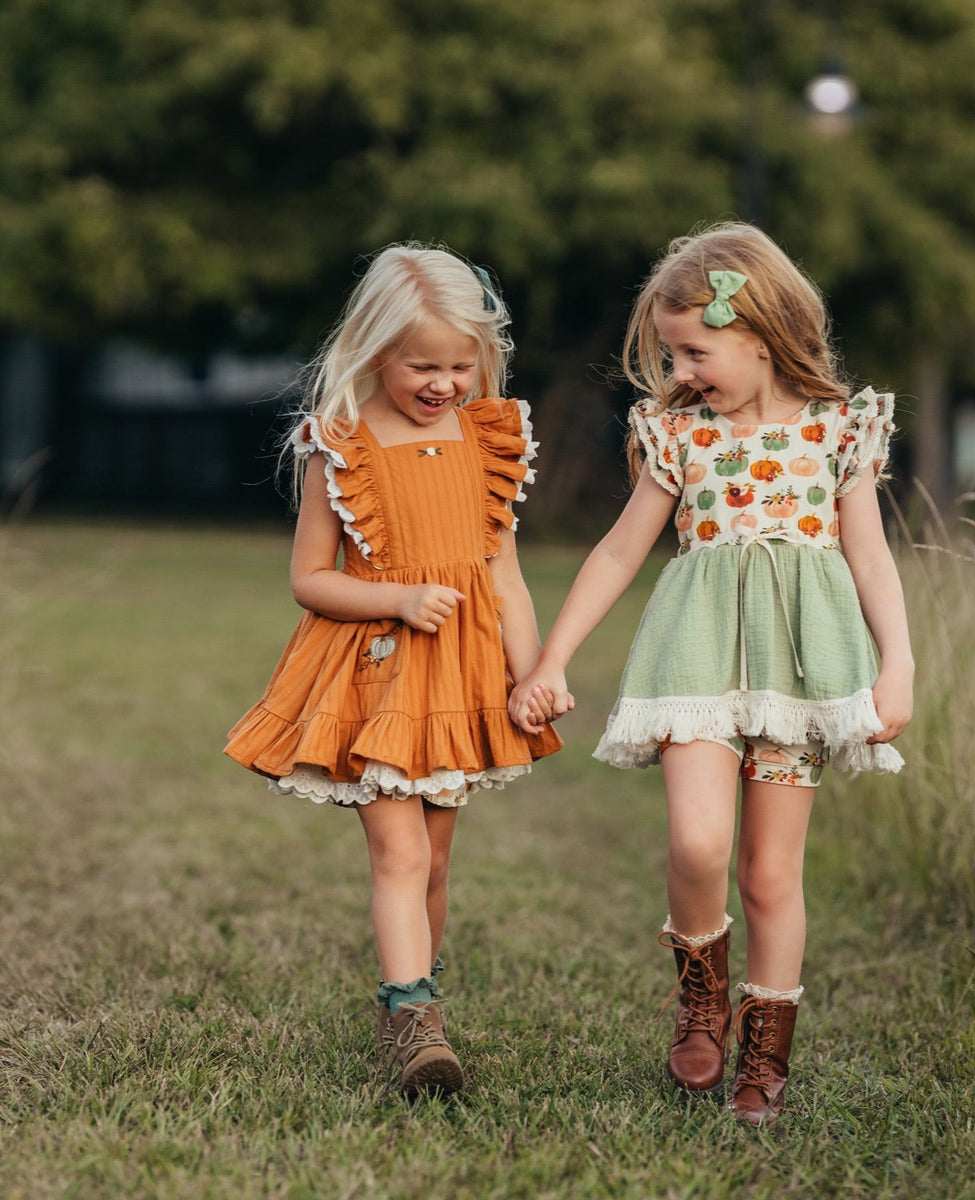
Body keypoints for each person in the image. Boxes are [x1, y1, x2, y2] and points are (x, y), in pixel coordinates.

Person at [509, 222, 913, 1125]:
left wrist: (899, 665)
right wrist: (554, 656)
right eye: (669, 351)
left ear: (759, 335)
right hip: (693, 661)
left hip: (799, 674)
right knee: (698, 845)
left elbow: (873, 559)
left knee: (771, 872)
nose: (680, 369)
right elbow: (619, 553)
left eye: (694, 349)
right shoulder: (678, 434)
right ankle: (700, 999)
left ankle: (764, 1059)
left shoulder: (838, 431)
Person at [226, 244, 561, 1097]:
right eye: (424, 365)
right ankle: (418, 1023)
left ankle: (404, 1005)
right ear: (377, 349)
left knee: (437, 861)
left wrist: (533, 672)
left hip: (462, 675)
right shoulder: (341, 444)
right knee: (399, 853)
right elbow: (310, 578)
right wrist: (399, 598)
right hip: (377, 667)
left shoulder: (488, 436)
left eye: (460, 364)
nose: (444, 382)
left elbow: (504, 575)